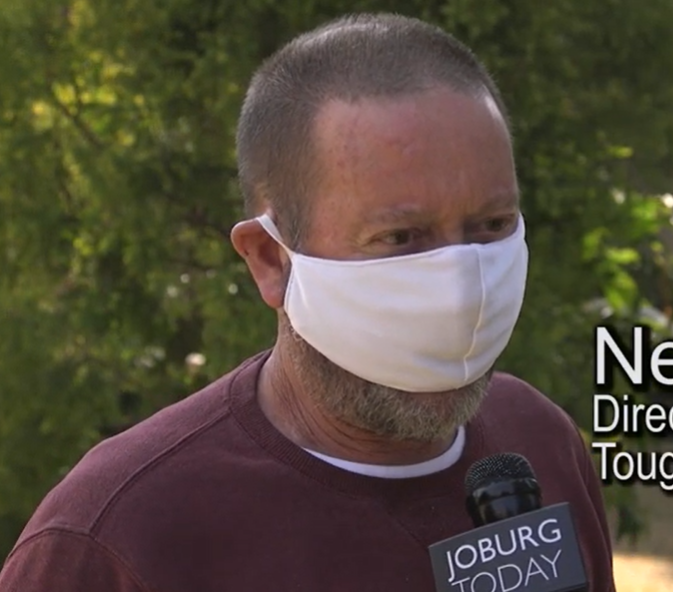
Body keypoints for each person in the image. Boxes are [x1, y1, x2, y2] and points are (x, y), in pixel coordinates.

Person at [0, 13, 616, 592]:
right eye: (400, 237)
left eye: (492, 225)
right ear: (270, 259)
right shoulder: (118, 538)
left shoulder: (538, 439)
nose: (459, 291)